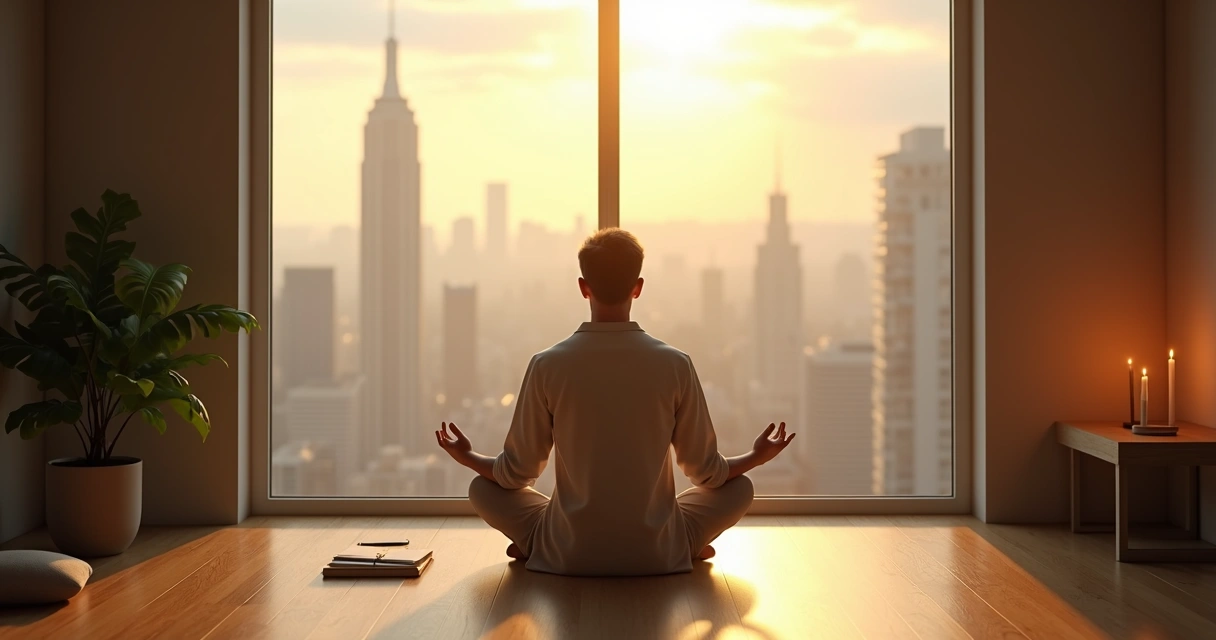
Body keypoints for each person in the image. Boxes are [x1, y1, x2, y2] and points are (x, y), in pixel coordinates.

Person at [435, 228, 795, 576]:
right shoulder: (675, 364)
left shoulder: (547, 365)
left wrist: (467, 456)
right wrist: (757, 456)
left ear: (583, 287)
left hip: (568, 551)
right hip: (658, 551)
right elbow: (708, 474)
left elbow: (515, 474)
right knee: (741, 488)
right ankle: (684, 546)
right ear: (638, 288)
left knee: (481, 488)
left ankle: (539, 547)